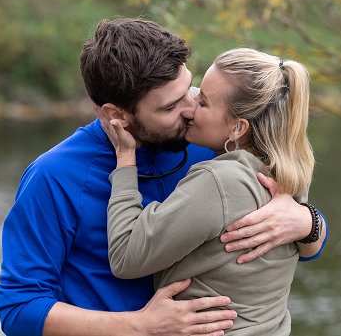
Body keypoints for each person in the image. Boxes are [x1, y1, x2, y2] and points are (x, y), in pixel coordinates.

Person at [0, 18, 327, 336]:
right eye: (169, 107)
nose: (190, 108)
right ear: (117, 115)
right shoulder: (53, 177)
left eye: (190, 89)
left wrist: (307, 222)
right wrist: (139, 327)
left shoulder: (210, 140)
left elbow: (300, 248)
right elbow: (19, 309)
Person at [105, 47, 325, 335]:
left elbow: (125, 257)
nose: (190, 106)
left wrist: (124, 159)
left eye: (204, 102)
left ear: (237, 128)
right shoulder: (290, 171)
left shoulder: (220, 181)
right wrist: (312, 222)